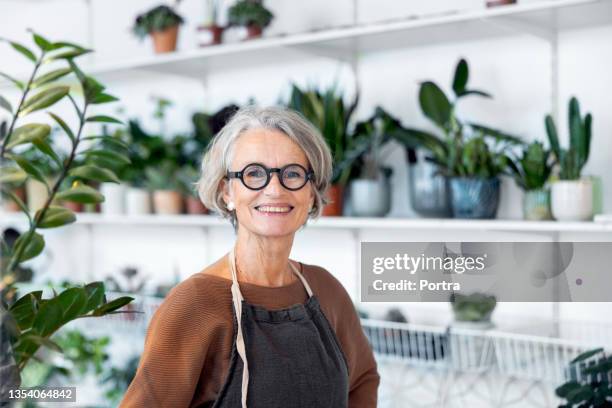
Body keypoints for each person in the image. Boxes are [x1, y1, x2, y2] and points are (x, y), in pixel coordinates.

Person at [120, 106, 380, 407]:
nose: (274, 189)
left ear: (311, 192)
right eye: (254, 173)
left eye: (292, 174)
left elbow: (362, 380)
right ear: (227, 191)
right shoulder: (194, 304)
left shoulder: (326, 290)